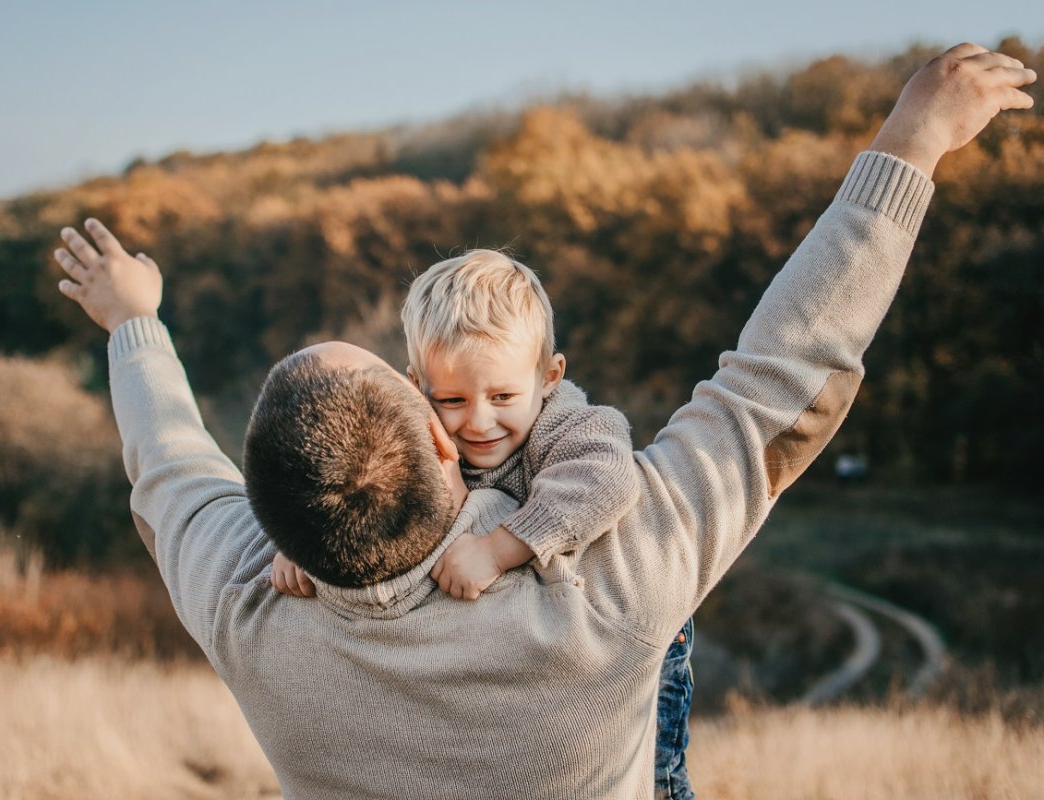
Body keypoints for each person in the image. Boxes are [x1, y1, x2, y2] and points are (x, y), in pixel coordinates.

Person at [53, 45, 1033, 799]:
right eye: (441, 397)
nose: (479, 418)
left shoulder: (249, 603)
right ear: (434, 431)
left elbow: (169, 465)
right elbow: (784, 382)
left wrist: (135, 322)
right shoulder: (610, 580)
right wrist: (909, 144)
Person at [273, 246, 699, 797]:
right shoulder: (423, 434)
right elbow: (356, 488)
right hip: (528, 655)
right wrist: (302, 542)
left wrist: (502, 546)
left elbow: (607, 480)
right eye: (451, 398)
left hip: (634, 639)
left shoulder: (567, 425)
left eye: (502, 396)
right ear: (414, 386)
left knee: (658, 778)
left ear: (549, 375)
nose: (477, 421)